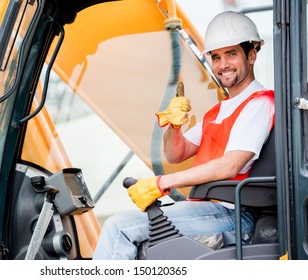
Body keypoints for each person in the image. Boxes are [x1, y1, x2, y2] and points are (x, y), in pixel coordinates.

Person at [92, 11, 275, 260]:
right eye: (216, 57)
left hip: (232, 215)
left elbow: (231, 165)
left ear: (251, 55)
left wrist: (161, 184)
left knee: (119, 228)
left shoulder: (259, 104)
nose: (223, 65)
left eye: (231, 54)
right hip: (207, 209)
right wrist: (174, 126)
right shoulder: (218, 111)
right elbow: (175, 154)